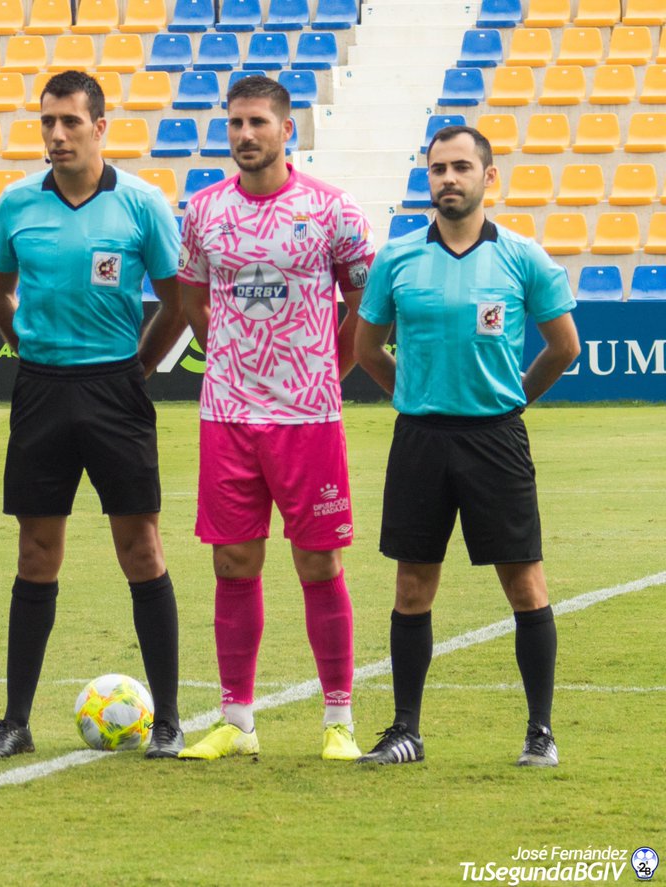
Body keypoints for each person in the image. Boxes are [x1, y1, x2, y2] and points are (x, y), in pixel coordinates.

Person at [0, 70, 189, 761]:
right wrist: (27, 347)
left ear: (101, 126)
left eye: (69, 122)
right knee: (36, 551)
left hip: (116, 389)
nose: (56, 135)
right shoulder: (15, 206)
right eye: (47, 123)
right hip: (41, 388)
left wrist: (140, 368)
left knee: (142, 548)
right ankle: (14, 720)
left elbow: (177, 301)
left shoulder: (142, 204)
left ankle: (170, 719)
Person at [354, 125, 580, 767]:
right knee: (413, 585)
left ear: (488, 176)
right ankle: (405, 731)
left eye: (460, 167)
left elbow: (564, 347)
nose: (447, 179)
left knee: (524, 583)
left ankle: (541, 731)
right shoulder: (396, 259)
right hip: (420, 439)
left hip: (495, 439)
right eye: (436, 169)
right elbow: (366, 349)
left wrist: (513, 400)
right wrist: (414, 393)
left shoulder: (522, 256)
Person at [175, 75, 376, 762]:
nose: (244, 135)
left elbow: (363, 303)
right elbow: (196, 300)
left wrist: (326, 366)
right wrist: (237, 359)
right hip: (227, 412)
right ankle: (236, 718)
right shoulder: (202, 211)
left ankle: (339, 720)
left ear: (287, 129)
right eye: (234, 123)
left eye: (257, 122)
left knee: (319, 563)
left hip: (308, 415)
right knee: (233, 560)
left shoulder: (332, 211)